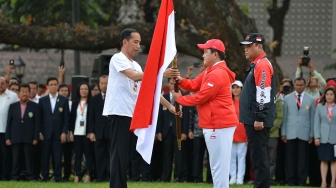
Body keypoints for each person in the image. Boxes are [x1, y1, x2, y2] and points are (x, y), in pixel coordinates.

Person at [102, 28, 180, 188]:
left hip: (131, 114)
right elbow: (133, 76)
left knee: (125, 154)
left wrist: (170, 107)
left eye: (140, 43)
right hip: (118, 111)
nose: (138, 46)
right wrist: (160, 73)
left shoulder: (136, 64)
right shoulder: (118, 58)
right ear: (125, 42)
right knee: (119, 153)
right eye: (135, 42)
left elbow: (150, 90)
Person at [172, 39, 238, 188]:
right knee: (217, 164)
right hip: (216, 124)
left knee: (218, 165)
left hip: (218, 124)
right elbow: (194, 84)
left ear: (215, 54)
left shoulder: (217, 73)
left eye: (205, 52)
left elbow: (202, 97)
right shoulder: (211, 70)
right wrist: (181, 80)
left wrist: (180, 99)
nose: (202, 56)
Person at [239, 33, 276, 188]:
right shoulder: (258, 64)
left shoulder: (262, 64)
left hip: (257, 120)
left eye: (249, 46)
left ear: (259, 46)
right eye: (245, 46)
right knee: (258, 157)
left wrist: (260, 117)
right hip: (255, 119)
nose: (245, 49)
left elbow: (263, 92)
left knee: (260, 158)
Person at [281, 77, 315, 186]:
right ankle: (290, 180)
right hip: (290, 132)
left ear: (305, 85)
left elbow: (312, 118)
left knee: (303, 159)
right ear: (294, 85)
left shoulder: (311, 99)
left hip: (304, 132)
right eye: (297, 85)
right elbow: (285, 117)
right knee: (290, 158)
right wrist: (283, 132)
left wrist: (311, 134)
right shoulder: (287, 98)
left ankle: (301, 181)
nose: (299, 87)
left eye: (301, 85)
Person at [157, 78, 189, 182]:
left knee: (180, 155)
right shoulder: (163, 98)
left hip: (178, 131)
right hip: (166, 131)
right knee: (167, 155)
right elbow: (160, 116)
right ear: (168, 85)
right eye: (171, 83)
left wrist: (184, 131)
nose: (173, 85)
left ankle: (179, 177)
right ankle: (165, 177)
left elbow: (186, 116)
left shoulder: (182, 98)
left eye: (175, 83)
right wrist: (159, 131)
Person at [5, 84, 39, 181]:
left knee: (29, 158)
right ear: (19, 93)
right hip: (15, 136)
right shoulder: (13, 106)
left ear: (29, 92)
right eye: (22, 91)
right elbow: (9, 123)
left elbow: (37, 124)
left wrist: (36, 137)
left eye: (26, 91)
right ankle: (15, 176)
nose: (24, 93)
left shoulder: (35, 106)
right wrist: (7, 137)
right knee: (15, 158)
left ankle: (30, 175)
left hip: (29, 137)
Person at [39, 77, 69, 182]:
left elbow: (66, 118)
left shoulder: (64, 100)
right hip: (45, 133)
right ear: (47, 86)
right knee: (45, 156)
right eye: (51, 84)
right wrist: (40, 132)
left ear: (57, 86)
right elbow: (39, 118)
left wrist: (64, 132)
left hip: (58, 133)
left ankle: (57, 176)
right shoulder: (42, 100)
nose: (53, 86)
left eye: (55, 84)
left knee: (57, 156)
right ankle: (45, 176)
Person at [270, 80, 293, 185]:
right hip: (269, 132)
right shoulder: (275, 98)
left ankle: (275, 178)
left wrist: (269, 128)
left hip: (278, 131)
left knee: (275, 158)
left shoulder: (284, 99)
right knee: (268, 157)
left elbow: (280, 117)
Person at [69, 82, 93, 183]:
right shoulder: (75, 103)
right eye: (81, 89)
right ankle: (77, 175)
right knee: (77, 155)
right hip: (77, 132)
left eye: (86, 89)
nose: (83, 91)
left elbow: (92, 118)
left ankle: (88, 174)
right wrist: (71, 132)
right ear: (78, 91)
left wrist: (91, 131)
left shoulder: (91, 102)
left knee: (88, 154)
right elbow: (71, 118)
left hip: (87, 133)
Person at [88, 75, 110, 182]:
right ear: (99, 84)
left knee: (111, 155)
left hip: (111, 132)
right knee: (99, 155)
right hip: (99, 132)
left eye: (106, 83)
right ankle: (100, 176)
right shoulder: (94, 99)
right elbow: (91, 117)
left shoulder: (114, 97)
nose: (104, 85)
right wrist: (91, 132)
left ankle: (109, 176)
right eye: (102, 83)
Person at [314, 87, 336, 188]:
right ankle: (323, 182)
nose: (329, 96)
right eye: (327, 94)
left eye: (331, 94)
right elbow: (316, 123)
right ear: (324, 96)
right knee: (323, 160)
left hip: (334, 138)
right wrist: (317, 137)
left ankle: (333, 182)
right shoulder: (320, 107)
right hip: (323, 137)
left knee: (334, 160)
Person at [0, 77, 18, 180]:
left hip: (6, 131)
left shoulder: (13, 96)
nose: (0, 85)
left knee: (6, 156)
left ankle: (5, 176)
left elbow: (16, 114)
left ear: (7, 84)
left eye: (2, 83)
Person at [229, 80, 247, 185]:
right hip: (230, 132)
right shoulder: (228, 102)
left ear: (241, 89)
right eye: (233, 87)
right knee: (231, 157)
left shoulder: (245, 102)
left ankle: (240, 178)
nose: (235, 90)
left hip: (242, 132)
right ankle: (233, 177)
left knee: (241, 156)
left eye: (237, 87)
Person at [58, 83, 73, 181]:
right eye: (62, 90)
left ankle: (67, 175)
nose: (64, 92)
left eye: (66, 90)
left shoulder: (72, 103)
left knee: (68, 155)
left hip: (70, 134)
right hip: (59, 133)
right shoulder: (57, 102)